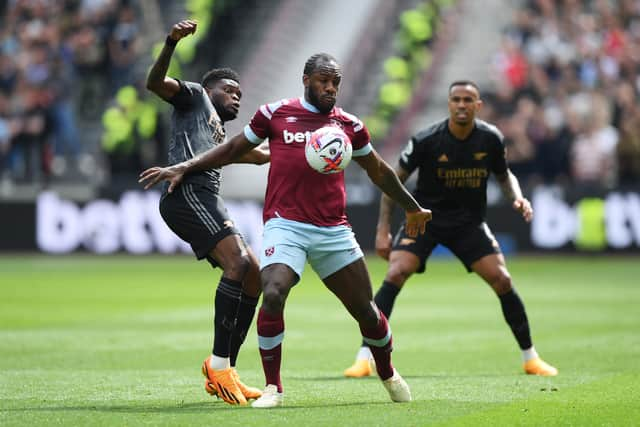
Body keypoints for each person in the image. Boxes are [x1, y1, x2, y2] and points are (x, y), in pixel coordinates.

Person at [139, 52, 432, 408]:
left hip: (332, 229)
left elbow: (380, 171)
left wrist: (412, 207)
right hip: (285, 224)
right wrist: (184, 166)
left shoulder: (349, 125)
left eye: (335, 82)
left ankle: (387, 373)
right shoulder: (274, 114)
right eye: (324, 81)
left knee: (366, 311)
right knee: (272, 290)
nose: (330, 88)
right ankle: (273, 388)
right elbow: (233, 148)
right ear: (306, 79)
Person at [343, 80, 558, 379]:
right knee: (394, 273)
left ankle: (530, 358)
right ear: (449, 104)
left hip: (468, 224)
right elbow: (391, 182)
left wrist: (518, 198)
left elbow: (504, 175)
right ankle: (364, 357)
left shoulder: (490, 138)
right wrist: (383, 230)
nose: (461, 104)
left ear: (478, 106)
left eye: (468, 100)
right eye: (456, 99)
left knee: (502, 279)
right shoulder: (427, 140)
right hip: (425, 221)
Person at [143, 20, 270, 406]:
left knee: (254, 275)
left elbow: (262, 155)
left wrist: (302, 144)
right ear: (210, 88)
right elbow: (154, 83)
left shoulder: (219, 134)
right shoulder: (195, 96)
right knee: (239, 264)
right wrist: (170, 43)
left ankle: (225, 368)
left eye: (240, 93)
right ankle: (218, 366)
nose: (236, 97)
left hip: (205, 197)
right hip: (187, 194)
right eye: (229, 90)